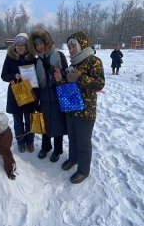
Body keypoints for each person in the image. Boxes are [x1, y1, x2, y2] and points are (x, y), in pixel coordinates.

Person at [54, 31, 105, 183]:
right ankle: (73, 158)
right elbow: (69, 87)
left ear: (81, 45)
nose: (70, 49)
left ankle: (83, 170)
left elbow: (99, 84)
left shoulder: (93, 61)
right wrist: (60, 80)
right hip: (71, 108)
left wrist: (80, 77)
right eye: (69, 46)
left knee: (83, 141)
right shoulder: (73, 64)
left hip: (86, 111)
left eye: (73, 46)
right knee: (72, 138)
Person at [28, 29, 68, 162]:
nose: (39, 47)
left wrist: (50, 67)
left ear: (47, 42)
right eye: (36, 45)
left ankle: (57, 150)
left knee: (58, 124)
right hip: (44, 97)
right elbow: (35, 82)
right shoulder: (37, 61)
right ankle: (46, 147)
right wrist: (36, 100)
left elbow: (65, 76)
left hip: (58, 96)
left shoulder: (59, 56)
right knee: (44, 123)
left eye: (41, 43)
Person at [1, 33, 37, 153]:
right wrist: (13, 75)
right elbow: (3, 75)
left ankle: (30, 141)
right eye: (18, 45)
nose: (20, 47)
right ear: (14, 46)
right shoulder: (10, 57)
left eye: (23, 45)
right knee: (17, 121)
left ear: (27, 46)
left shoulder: (33, 58)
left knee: (29, 120)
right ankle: (21, 142)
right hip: (15, 93)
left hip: (29, 92)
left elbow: (37, 76)